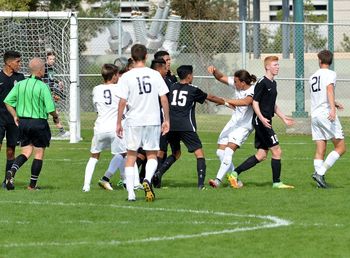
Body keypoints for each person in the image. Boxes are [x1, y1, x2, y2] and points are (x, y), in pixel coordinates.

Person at [226, 56, 295, 189]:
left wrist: (283, 117)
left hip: (265, 120)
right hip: (261, 122)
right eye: (275, 65)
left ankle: (234, 174)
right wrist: (262, 118)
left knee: (261, 155)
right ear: (267, 67)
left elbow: (272, 104)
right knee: (277, 151)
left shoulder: (273, 83)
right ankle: (277, 182)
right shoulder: (262, 82)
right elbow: (255, 102)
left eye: (278, 64)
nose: (277, 67)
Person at [153, 65, 225, 189]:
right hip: (186, 126)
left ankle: (159, 172)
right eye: (192, 74)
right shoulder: (193, 89)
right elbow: (210, 97)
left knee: (176, 153)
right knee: (199, 154)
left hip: (171, 125)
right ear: (188, 76)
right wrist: (225, 102)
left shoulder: (172, 87)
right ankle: (201, 185)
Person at [116, 44, 170, 202]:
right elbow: (164, 98)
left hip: (134, 121)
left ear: (132, 58)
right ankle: (147, 179)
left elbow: (122, 101)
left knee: (131, 156)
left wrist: (118, 122)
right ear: (146, 57)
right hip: (152, 120)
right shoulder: (154, 74)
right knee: (152, 154)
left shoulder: (126, 76)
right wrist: (166, 119)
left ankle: (131, 194)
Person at [4, 57, 60, 190]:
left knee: (26, 152)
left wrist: (15, 115)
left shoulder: (20, 84)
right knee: (39, 153)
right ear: (41, 70)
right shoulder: (43, 86)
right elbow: (51, 109)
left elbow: (7, 101)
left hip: (23, 123)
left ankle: (12, 171)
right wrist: (56, 117)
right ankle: (32, 186)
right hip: (38, 123)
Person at [82, 64, 132, 192]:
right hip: (115, 127)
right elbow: (126, 106)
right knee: (122, 153)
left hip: (100, 127)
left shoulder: (96, 89)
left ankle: (86, 186)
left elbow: (97, 109)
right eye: (117, 75)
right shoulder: (120, 88)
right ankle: (107, 178)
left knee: (94, 156)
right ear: (114, 75)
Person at [206, 67, 256, 188]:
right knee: (220, 152)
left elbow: (245, 102)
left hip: (244, 126)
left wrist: (225, 101)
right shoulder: (237, 85)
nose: (233, 83)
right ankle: (235, 180)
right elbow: (220, 77)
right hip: (233, 123)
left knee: (228, 151)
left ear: (242, 83)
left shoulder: (253, 90)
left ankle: (217, 180)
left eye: (235, 82)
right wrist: (215, 70)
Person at [309, 50, 346, 188]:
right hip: (325, 114)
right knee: (341, 147)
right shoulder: (331, 74)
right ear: (330, 61)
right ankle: (320, 173)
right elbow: (329, 90)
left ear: (320, 60)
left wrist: (334, 103)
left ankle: (319, 181)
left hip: (315, 115)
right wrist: (332, 108)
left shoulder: (313, 76)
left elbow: (320, 95)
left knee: (321, 148)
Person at [0, 50, 25, 188]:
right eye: (18, 61)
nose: (20, 64)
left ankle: (7, 180)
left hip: (14, 120)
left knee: (11, 151)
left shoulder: (20, 78)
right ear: (9, 63)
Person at [153, 51, 178, 170]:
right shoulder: (156, 78)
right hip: (158, 117)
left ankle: (155, 177)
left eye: (169, 60)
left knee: (164, 149)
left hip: (169, 117)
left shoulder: (170, 78)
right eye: (167, 60)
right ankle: (152, 176)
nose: (169, 62)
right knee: (157, 150)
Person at [43, 51, 68, 138]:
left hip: (51, 92)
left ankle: (61, 131)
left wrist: (58, 82)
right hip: (46, 93)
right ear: (46, 59)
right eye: (50, 59)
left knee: (54, 112)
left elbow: (51, 79)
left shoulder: (51, 68)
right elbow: (43, 79)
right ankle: (61, 131)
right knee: (53, 112)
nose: (52, 60)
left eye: (53, 59)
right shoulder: (44, 67)